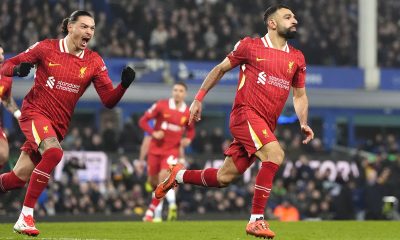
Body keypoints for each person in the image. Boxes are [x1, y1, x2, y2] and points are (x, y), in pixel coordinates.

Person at [155, 4, 313, 239]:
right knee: (275, 155)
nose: (294, 20)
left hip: (264, 125)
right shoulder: (250, 46)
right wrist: (198, 98)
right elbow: (220, 69)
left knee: (223, 178)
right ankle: (256, 220)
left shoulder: (297, 58)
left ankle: (178, 175)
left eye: (294, 17)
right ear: (272, 23)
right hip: (245, 115)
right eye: (287, 17)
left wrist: (303, 122)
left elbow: (299, 95)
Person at [0, 10, 136, 236]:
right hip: (35, 113)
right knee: (54, 153)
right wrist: (17, 69)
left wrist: (123, 85)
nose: (89, 32)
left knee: (16, 179)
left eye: (92, 28)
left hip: (58, 125)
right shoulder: (46, 48)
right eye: (84, 26)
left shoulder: (94, 61)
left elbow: (108, 101)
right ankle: (25, 217)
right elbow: (6, 66)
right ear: (70, 27)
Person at [139, 82, 195, 222]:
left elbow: (191, 129)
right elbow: (143, 121)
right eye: (175, 90)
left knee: (163, 179)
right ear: (172, 91)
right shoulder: (161, 105)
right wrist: (153, 133)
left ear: (185, 94)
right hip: (155, 150)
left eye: (181, 90)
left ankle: (151, 213)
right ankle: (160, 209)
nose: (177, 92)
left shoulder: (187, 112)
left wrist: (188, 139)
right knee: (153, 181)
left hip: (171, 151)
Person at [0, 44, 22, 170]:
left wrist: (18, 114)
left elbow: (7, 100)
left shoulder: (6, 78)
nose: (1, 56)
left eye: (2, 53)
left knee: (4, 154)